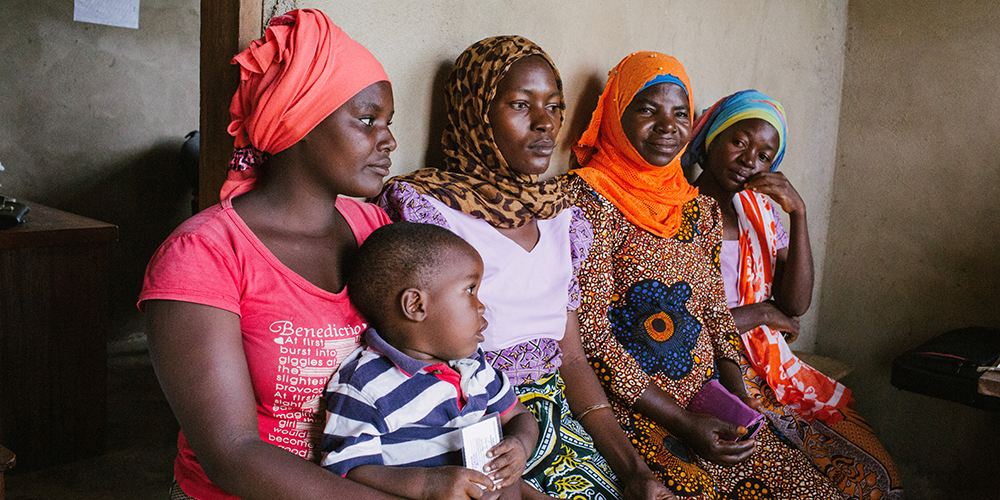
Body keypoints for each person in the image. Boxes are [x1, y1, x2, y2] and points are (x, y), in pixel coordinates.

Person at [378, 36, 672, 500]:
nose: (545, 123)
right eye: (520, 104)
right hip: (473, 429)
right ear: (476, 112)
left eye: (554, 107)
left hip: (561, 429)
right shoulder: (426, 210)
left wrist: (633, 469)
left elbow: (571, 360)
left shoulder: (561, 217)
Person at [139, 10, 398, 500]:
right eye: (367, 120)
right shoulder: (202, 256)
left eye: (388, 122)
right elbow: (232, 453)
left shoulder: (375, 229)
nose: (389, 140)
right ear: (299, 120)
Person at [570, 51, 845, 499]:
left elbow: (714, 314)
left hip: (707, 397)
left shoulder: (694, 208)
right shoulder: (588, 200)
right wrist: (683, 422)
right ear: (616, 114)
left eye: (680, 113)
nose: (667, 126)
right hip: (640, 407)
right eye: (647, 109)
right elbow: (594, 337)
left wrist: (735, 400)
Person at [685, 89, 903, 499]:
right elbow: (688, 322)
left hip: (772, 364)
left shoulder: (760, 212)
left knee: (879, 472)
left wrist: (798, 213)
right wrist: (764, 313)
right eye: (739, 141)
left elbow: (796, 304)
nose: (751, 159)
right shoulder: (680, 213)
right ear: (712, 136)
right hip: (716, 365)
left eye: (766, 155)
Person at [321, 222, 538, 500]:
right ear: (416, 305)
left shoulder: (472, 363)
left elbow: (519, 415)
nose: (482, 306)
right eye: (470, 290)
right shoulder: (364, 386)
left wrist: (520, 444)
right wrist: (427, 484)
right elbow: (347, 470)